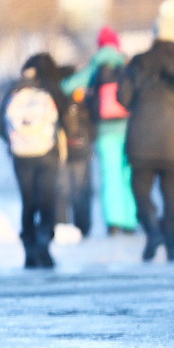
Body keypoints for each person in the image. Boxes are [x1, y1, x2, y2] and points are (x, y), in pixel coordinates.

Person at [120, 0, 174, 262]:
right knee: (173, 195)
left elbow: (123, 98)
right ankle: (172, 246)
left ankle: (152, 230)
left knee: (140, 190)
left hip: (142, 141)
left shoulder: (138, 62)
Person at [0, 53, 72, 269]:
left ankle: (30, 250)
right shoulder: (49, 91)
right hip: (47, 153)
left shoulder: (13, 93)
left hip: (21, 155)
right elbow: (64, 120)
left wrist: (15, 141)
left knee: (28, 203)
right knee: (47, 200)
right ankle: (44, 241)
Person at [66, 26, 138, 234]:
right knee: (128, 174)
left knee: (110, 175)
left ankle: (114, 222)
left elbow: (68, 86)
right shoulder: (127, 64)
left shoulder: (96, 66)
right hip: (129, 128)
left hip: (105, 131)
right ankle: (130, 220)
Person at [58, 46, 100, 238]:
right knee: (82, 189)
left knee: (63, 189)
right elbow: (93, 122)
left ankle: (63, 225)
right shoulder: (83, 97)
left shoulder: (58, 99)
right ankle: (83, 227)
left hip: (63, 149)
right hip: (82, 148)